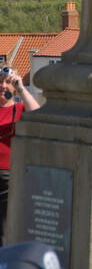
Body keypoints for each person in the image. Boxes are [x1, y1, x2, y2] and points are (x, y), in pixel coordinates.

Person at [0, 65, 40, 245]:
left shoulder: (19, 108)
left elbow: (38, 115)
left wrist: (21, 87)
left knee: (5, 226)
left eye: (7, 83)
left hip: (8, 176)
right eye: (0, 82)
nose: (3, 86)